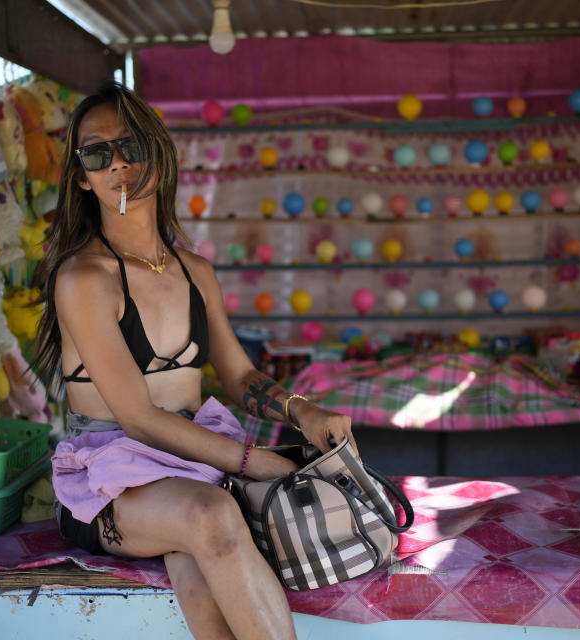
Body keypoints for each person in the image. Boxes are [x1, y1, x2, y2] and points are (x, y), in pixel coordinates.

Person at [34, 82, 358, 640]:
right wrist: (256, 460)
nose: (117, 164)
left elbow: (239, 376)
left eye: (131, 146)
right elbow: (137, 419)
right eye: (96, 153)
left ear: (159, 154)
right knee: (210, 514)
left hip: (189, 470)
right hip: (109, 483)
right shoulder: (83, 278)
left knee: (202, 569)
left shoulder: (195, 272)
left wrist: (302, 412)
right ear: (82, 177)